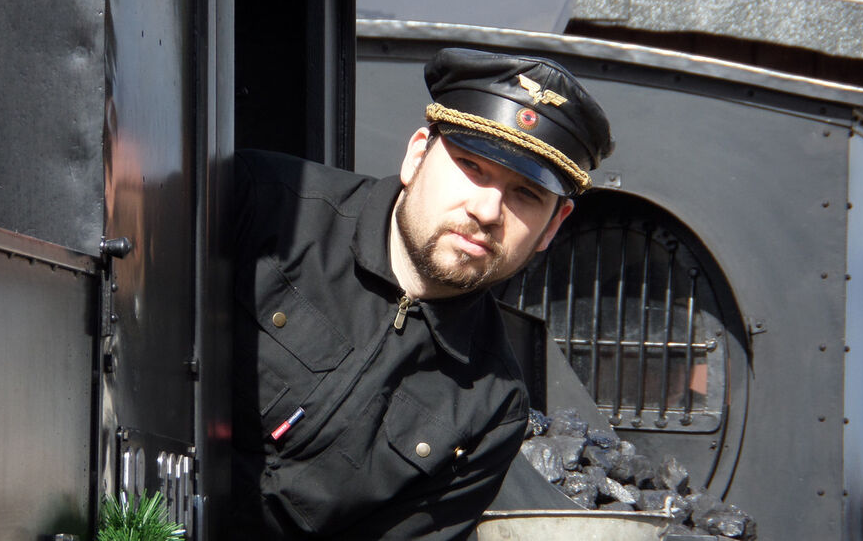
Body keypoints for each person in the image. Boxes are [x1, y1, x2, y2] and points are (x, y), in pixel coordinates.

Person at [231, 47, 614, 540]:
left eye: (526, 194)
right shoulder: (265, 206)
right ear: (417, 155)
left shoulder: (489, 410)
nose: (487, 210)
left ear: (553, 227)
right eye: (472, 166)